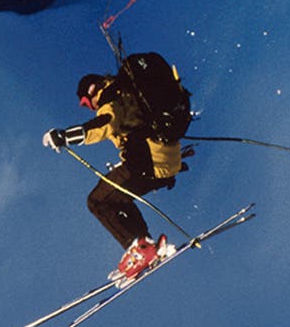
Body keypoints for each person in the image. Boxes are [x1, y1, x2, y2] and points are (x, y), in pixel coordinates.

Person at [43, 54, 191, 283]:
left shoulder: (111, 98)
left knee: (97, 201)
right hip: (167, 162)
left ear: (92, 90)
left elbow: (104, 124)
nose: (89, 107)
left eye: (85, 103)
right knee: (117, 198)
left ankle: (140, 248)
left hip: (147, 160)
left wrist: (65, 136)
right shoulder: (129, 91)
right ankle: (145, 246)